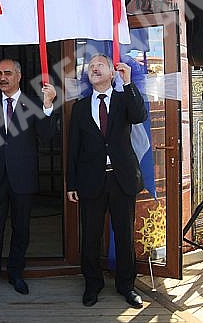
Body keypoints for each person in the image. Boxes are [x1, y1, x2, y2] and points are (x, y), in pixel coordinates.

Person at [0, 58, 57, 296]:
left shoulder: (33, 103)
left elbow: (47, 135)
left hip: (23, 177)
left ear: (18, 76)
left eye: (7, 73)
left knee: (21, 228)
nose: (2, 78)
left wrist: (48, 105)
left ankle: (16, 273)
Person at [66, 54, 147, 308]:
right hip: (91, 181)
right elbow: (73, 149)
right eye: (91, 66)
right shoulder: (80, 107)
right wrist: (71, 184)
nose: (94, 68)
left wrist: (129, 83)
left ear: (113, 73)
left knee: (124, 235)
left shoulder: (124, 100)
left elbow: (140, 115)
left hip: (122, 179)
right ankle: (92, 284)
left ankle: (127, 285)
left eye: (100, 64)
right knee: (90, 236)